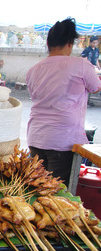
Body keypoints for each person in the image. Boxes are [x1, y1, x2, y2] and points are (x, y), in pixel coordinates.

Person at [26, 18, 101, 187]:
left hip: (36, 136)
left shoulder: (34, 69)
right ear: (70, 43)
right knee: (57, 194)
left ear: (48, 43)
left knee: (36, 189)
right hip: (62, 141)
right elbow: (96, 87)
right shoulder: (80, 65)